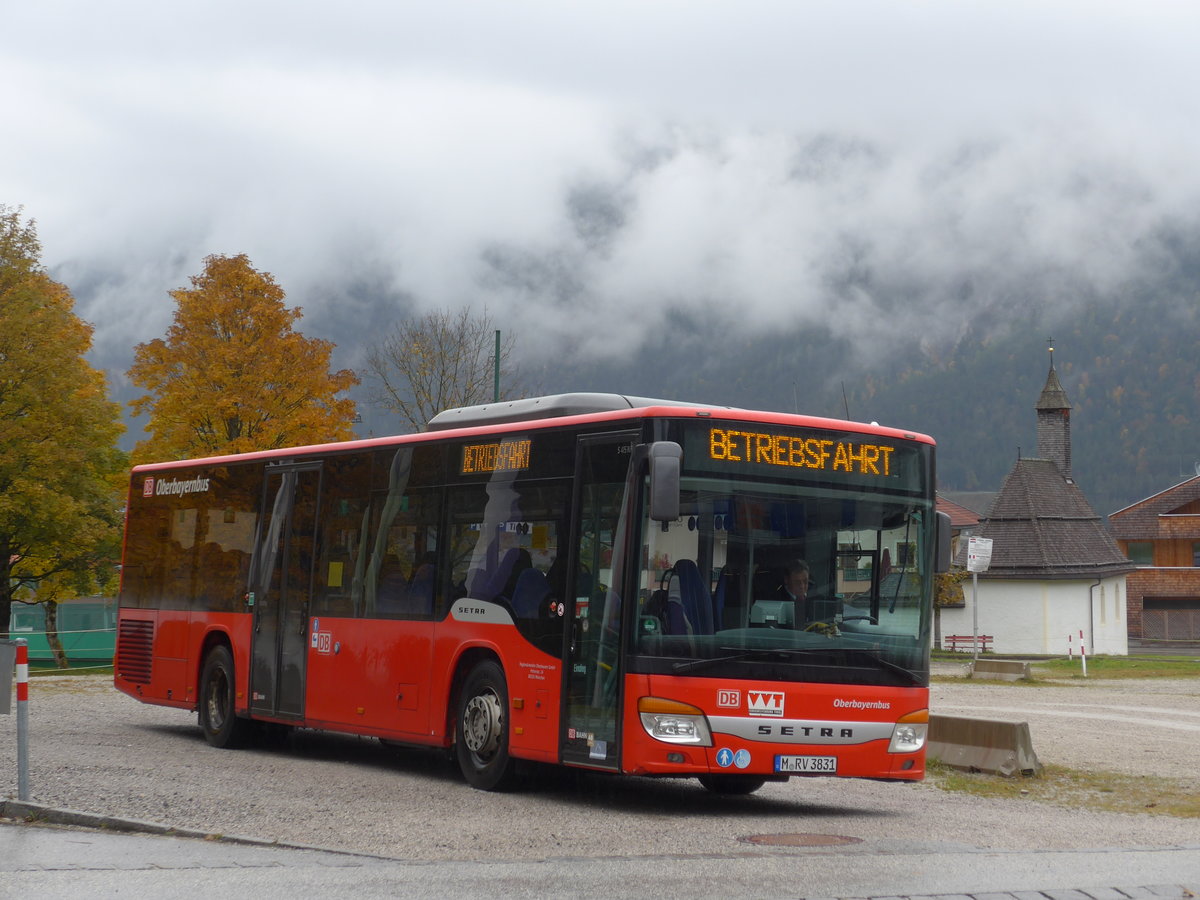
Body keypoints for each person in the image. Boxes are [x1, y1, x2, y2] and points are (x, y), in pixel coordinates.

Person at [776, 559, 813, 627]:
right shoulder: (775, 600)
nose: (802, 586)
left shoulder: (816, 599)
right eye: (797, 582)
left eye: (805, 581)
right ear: (787, 580)